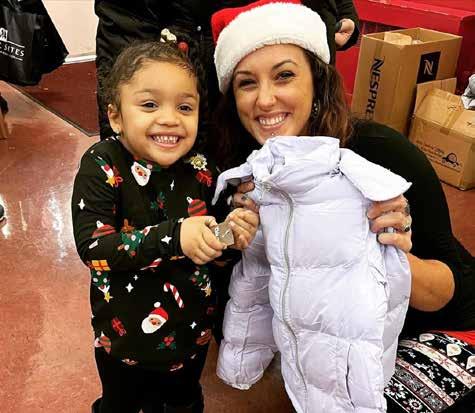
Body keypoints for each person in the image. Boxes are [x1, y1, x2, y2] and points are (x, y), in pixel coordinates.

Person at [209, 0, 475, 412]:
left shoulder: (379, 154)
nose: (265, 100)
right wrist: (234, 233)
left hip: (440, 328)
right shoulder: (241, 172)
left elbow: (453, 293)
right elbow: (231, 284)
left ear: (317, 81)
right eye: (247, 83)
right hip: (337, 340)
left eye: (284, 75)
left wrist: (388, 253)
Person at [72, 39, 259, 413]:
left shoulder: (202, 168)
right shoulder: (102, 163)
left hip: (191, 334)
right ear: (116, 117)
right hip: (123, 340)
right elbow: (94, 248)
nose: (170, 118)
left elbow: (214, 245)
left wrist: (232, 234)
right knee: (120, 406)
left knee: (184, 403)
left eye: (184, 107)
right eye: (149, 105)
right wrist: (175, 236)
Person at [94, 0, 359, 140]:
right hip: (209, 118)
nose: (266, 99)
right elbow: (123, 62)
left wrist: (343, 12)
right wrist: (123, 163)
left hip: (310, 110)